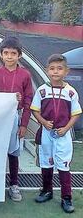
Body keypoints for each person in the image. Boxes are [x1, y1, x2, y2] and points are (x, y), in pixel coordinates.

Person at [0, 36, 33, 202]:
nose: (9, 56)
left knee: (13, 152)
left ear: (20, 55)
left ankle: (14, 184)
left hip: (14, 118)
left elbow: (28, 101)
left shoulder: (25, 75)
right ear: (0, 54)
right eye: (6, 53)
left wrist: (24, 124)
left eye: (13, 53)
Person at [31, 54, 81, 213]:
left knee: (63, 165)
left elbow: (76, 114)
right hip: (47, 133)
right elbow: (35, 110)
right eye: (52, 69)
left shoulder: (71, 92)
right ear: (47, 71)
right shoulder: (42, 90)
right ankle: (47, 191)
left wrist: (66, 128)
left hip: (63, 134)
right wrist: (43, 122)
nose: (55, 72)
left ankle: (66, 198)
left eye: (59, 68)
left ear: (66, 71)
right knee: (46, 162)